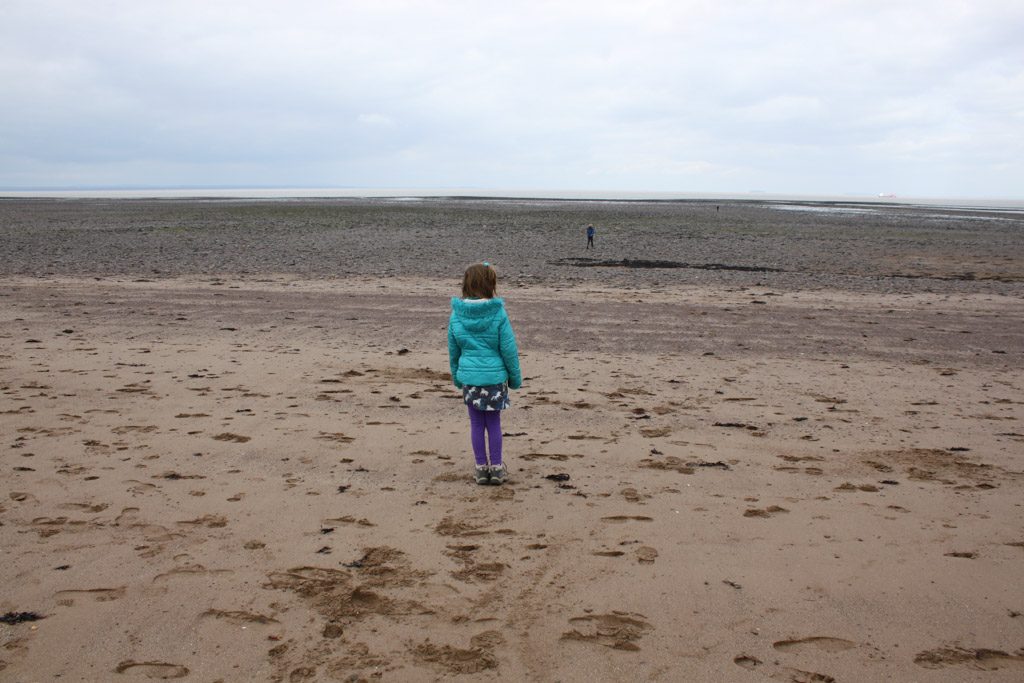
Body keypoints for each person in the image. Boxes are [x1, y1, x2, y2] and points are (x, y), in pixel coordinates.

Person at [448, 262, 523, 485]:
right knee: (494, 423)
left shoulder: (457, 314)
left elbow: (454, 350)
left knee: (476, 424)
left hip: (470, 379)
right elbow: (508, 349)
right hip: (494, 379)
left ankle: (481, 468)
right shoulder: (498, 312)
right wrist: (515, 378)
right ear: (491, 284)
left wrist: (457, 376)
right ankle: (497, 468)